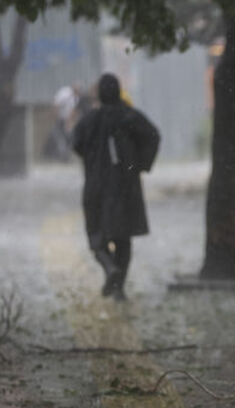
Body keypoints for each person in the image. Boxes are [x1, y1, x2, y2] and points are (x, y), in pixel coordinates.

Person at [72, 73, 160, 301]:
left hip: (96, 187)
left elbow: (76, 142)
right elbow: (153, 136)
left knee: (96, 236)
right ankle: (119, 287)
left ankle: (109, 267)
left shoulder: (90, 120)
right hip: (126, 187)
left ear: (100, 94)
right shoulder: (131, 116)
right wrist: (140, 164)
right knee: (123, 239)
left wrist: (92, 160)